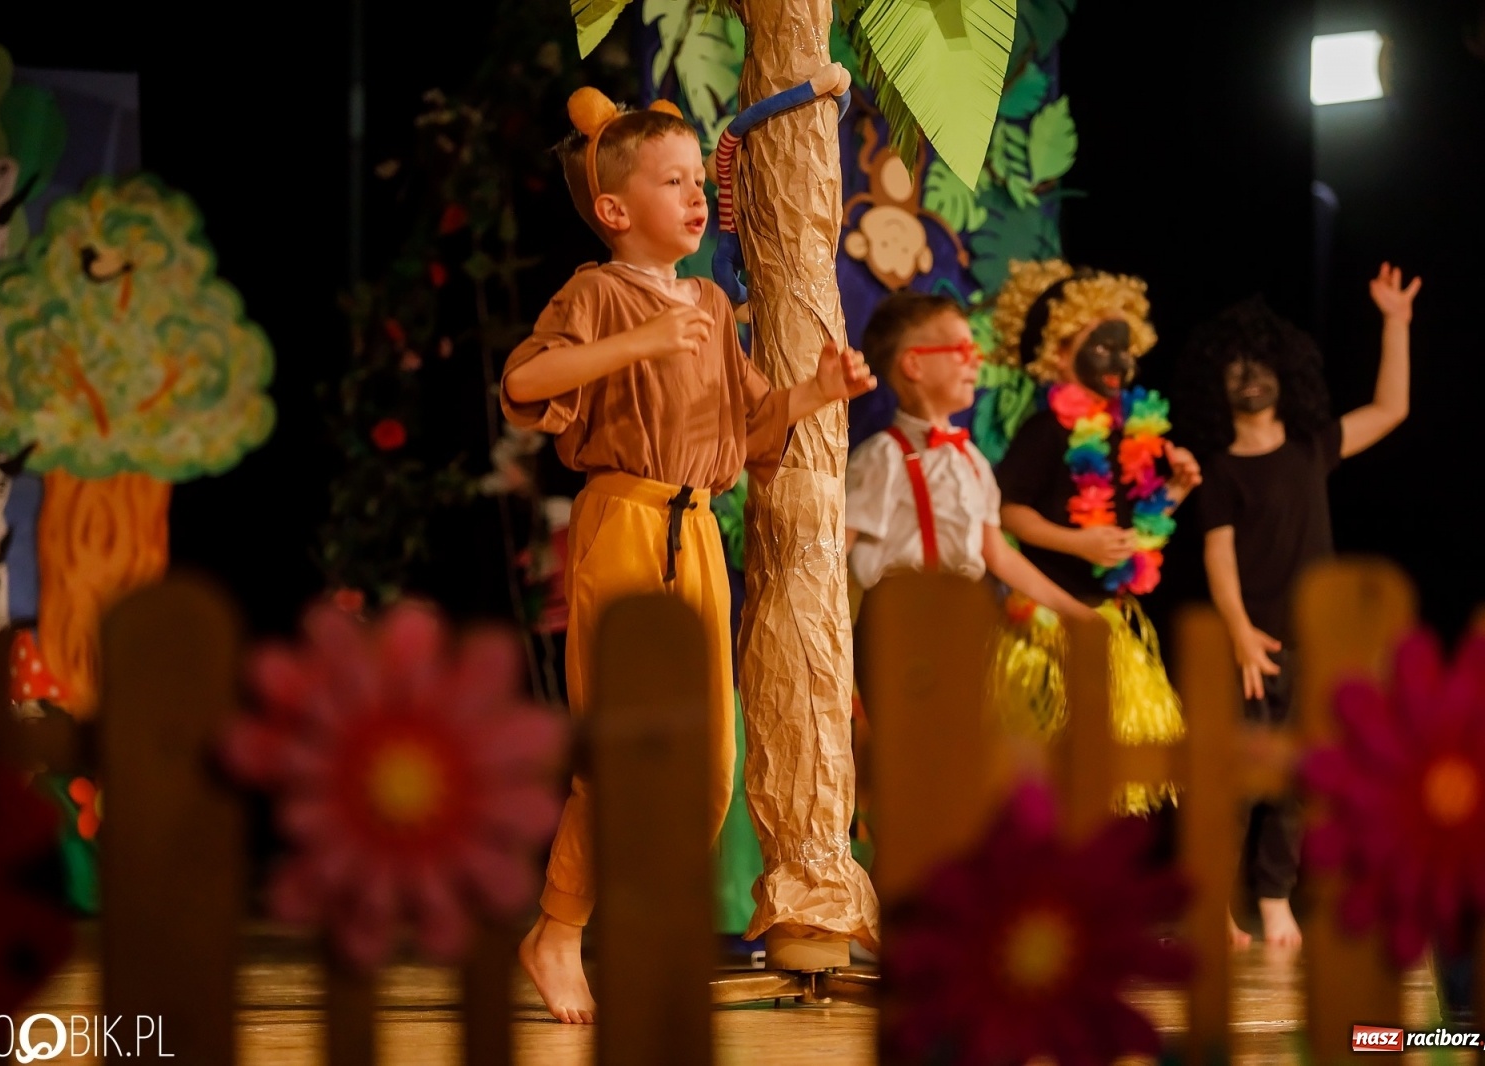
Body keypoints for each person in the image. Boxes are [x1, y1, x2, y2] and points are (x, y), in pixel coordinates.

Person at [500, 88, 874, 1024]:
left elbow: (749, 424)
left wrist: (813, 393)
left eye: (693, 176)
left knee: (708, 758)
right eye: (671, 181)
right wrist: (638, 338)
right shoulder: (598, 291)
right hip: (622, 522)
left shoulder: (708, 298)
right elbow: (523, 381)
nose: (694, 195)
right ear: (618, 210)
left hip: (697, 531)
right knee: (621, 742)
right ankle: (557, 929)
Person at [1178, 263, 1420, 948]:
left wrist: (1395, 323)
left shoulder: (1314, 449)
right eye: (1236, 368)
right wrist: (1240, 635)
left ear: (1286, 373)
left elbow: (1391, 409)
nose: (1250, 376)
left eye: (1261, 364)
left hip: (1316, 644)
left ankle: (1277, 895)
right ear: (1216, 384)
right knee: (1235, 784)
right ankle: (1219, 912)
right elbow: (1218, 557)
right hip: (1252, 647)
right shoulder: (1220, 468)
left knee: (1299, 779)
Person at [990, 260, 1202, 812]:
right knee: (1051, 769)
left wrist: (1176, 491)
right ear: (1060, 353)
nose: (1119, 360)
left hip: (1113, 619)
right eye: (1103, 346)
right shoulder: (1047, 431)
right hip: (1050, 622)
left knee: (1110, 775)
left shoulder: (1133, 432)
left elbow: (1140, 533)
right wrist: (1075, 542)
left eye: (1126, 348)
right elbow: (1007, 512)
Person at [844, 290, 1092, 619]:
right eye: (962, 350)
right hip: (897, 624)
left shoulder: (972, 461)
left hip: (963, 621)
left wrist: (1075, 613)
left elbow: (998, 554)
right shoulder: (883, 457)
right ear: (914, 364)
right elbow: (837, 549)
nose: (977, 360)